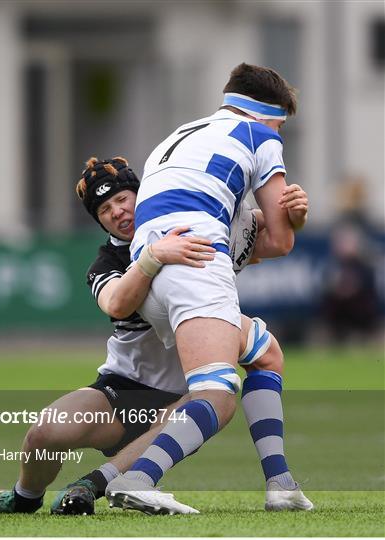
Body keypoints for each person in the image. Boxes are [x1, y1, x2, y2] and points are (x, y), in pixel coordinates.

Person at [0, 154, 312, 516]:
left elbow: (270, 238)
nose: (118, 211)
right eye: (105, 209)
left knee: (226, 386)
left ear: (141, 193)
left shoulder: (190, 222)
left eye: (123, 199)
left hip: (187, 393)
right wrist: (152, 256)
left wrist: (293, 215)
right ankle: (22, 498)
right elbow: (117, 303)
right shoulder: (107, 263)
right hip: (123, 388)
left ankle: (91, 485)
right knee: (45, 433)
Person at [105, 62, 304, 512]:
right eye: (280, 124)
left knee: (265, 351)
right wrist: (297, 213)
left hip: (150, 269)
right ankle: (137, 477)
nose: (280, 134)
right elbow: (282, 239)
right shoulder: (262, 136)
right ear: (265, 114)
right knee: (216, 392)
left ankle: (281, 484)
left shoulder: (178, 136)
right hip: (196, 261)